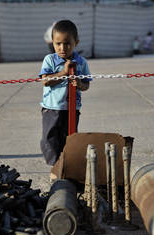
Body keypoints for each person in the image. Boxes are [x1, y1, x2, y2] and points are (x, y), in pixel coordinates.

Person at [39, 20, 92, 181]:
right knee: (50, 139)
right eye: (58, 43)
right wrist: (63, 72)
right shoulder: (49, 60)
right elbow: (45, 80)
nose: (62, 48)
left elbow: (86, 85)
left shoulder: (81, 62)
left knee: (70, 139)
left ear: (76, 43)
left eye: (67, 43)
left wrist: (79, 84)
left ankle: (68, 167)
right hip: (52, 108)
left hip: (72, 108)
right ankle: (55, 167)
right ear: (52, 43)